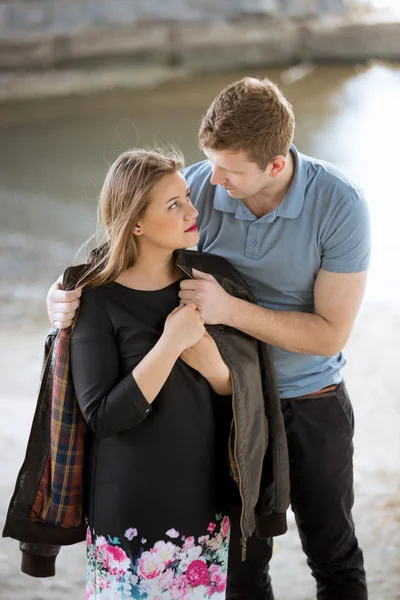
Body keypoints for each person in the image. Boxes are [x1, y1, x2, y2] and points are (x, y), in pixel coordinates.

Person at [47, 77, 371, 600]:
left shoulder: (340, 204)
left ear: (276, 165)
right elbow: (125, 235)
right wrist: (63, 294)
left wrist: (231, 311)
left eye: (229, 171)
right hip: (230, 404)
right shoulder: (198, 185)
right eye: (210, 163)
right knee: (239, 571)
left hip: (308, 402)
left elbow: (330, 334)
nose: (210, 182)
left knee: (333, 554)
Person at [12, 146, 290, 600]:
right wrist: (171, 343)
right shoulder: (96, 299)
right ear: (136, 223)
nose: (191, 210)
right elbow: (104, 415)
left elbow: (240, 390)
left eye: (186, 197)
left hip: (204, 499)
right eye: (174, 204)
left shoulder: (211, 282)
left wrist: (210, 361)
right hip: (129, 509)